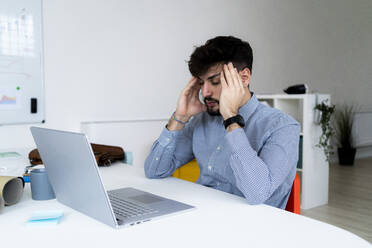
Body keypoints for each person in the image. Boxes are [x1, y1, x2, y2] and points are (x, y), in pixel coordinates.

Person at [144, 36, 300, 209]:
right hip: (201, 216)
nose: (205, 92)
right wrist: (180, 118)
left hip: (251, 229)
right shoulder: (201, 120)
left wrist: (231, 119)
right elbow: (154, 171)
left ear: (244, 78)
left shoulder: (282, 127)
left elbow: (258, 193)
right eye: (201, 83)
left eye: (215, 81)